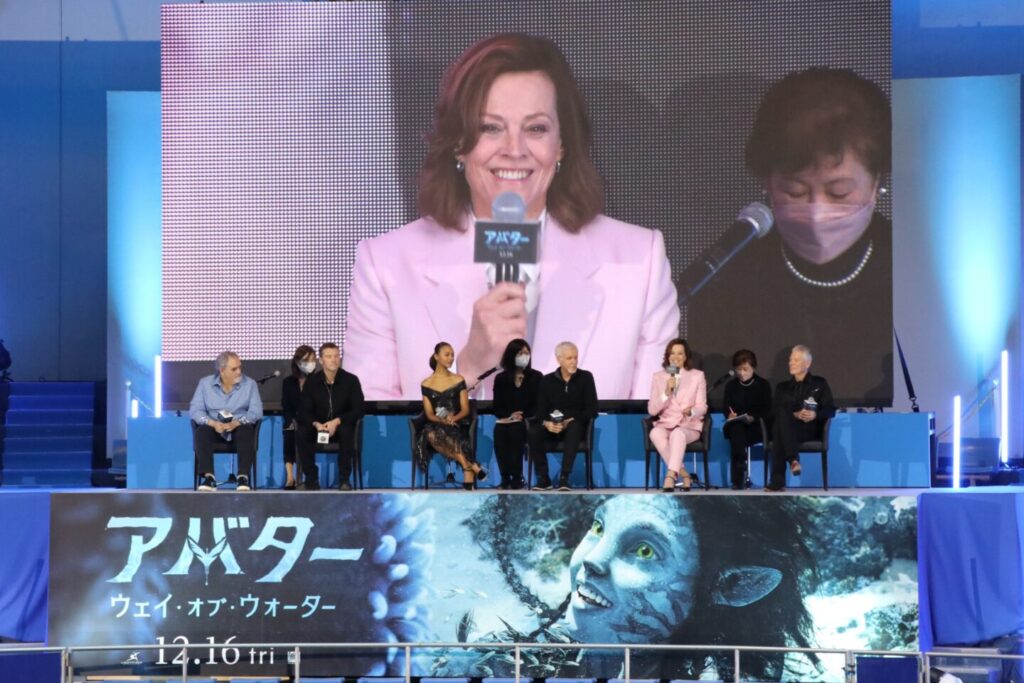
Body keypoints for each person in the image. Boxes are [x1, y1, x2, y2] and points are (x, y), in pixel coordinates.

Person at [343, 33, 678, 400]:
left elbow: (662, 422)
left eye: (535, 129)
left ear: (561, 145)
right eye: (491, 128)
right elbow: (368, 430)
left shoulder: (638, 261)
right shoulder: (386, 265)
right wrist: (468, 367)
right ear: (459, 144)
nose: (514, 150)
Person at [687, 68, 892, 405]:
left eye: (839, 192)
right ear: (766, 182)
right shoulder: (727, 281)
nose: (816, 211)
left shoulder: (906, 268)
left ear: (876, 181)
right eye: (795, 191)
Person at [189, 350, 263, 491]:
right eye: (234, 369)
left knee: (246, 430)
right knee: (202, 432)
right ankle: (209, 478)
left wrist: (237, 422)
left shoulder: (250, 384)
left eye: (240, 367)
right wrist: (212, 423)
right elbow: (195, 410)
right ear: (222, 370)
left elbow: (256, 411)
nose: (239, 372)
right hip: (215, 427)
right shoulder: (205, 384)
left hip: (238, 427)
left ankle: (243, 477)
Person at [528, 341, 598, 491]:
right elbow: (540, 411)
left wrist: (571, 419)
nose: (574, 361)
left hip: (574, 426)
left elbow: (592, 409)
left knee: (574, 426)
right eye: (569, 358)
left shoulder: (586, 377)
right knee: (534, 431)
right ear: (559, 359)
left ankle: (564, 477)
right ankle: (543, 478)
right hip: (552, 426)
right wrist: (547, 423)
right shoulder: (547, 380)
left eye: (575, 357)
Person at [417, 342, 487, 490]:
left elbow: (465, 409)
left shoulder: (458, 380)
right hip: (437, 423)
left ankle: (468, 467)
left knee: (442, 433)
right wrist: (442, 420)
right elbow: (429, 414)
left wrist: (453, 419)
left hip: (458, 423)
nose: (451, 358)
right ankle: (469, 466)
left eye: (452, 355)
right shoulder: (426, 383)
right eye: (447, 355)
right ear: (436, 356)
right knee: (431, 433)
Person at [296, 343, 365, 491]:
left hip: (341, 426)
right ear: (321, 360)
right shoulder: (312, 382)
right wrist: (316, 424)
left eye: (336, 356)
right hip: (319, 428)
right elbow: (304, 411)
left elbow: (358, 409)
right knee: (302, 432)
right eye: (329, 356)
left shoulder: (351, 380)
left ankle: (344, 480)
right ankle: (311, 479)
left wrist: (337, 421)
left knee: (346, 430)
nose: (333, 360)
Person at [767, 345, 835, 491]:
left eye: (796, 360)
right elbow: (773, 412)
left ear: (807, 363)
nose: (791, 363)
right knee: (781, 417)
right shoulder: (782, 387)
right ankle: (793, 460)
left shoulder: (819, 383)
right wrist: (794, 414)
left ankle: (779, 479)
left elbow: (830, 410)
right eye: (790, 360)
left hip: (808, 430)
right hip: (787, 428)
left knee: (779, 429)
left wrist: (815, 415)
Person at [647, 338, 706, 492]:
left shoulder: (697, 376)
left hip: (688, 425)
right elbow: (652, 410)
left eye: (680, 353)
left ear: (686, 356)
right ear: (667, 356)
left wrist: (692, 411)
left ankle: (670, 476)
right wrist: (666, 392)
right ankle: (685, 475)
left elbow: (702, 407)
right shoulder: (659, 377)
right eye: (672, 353)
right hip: (667, 423)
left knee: (677, 434)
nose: (676, 357)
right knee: (655, 433)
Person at [492, 338, 543, 489]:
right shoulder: (501, 379)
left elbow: (539, 405)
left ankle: (517, 477)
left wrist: (523, 415)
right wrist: (510, 416)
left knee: (516, 429)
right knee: (500, 430)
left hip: (528, 421)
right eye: (520, 353)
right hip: (508, 420)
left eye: (527, 353)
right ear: (511, 355)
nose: (524, 356)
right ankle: (505, 477)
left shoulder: (536, 377)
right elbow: (497, 407)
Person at [721, 349, 772, 490]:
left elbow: (767, 410)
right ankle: (738, 476)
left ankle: (739, 471)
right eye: (738, 369)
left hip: (757, 427)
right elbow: (726, 407)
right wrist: (729, 415)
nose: (742, 373)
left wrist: (753, 417)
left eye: (745, 369)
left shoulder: (763, 385)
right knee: (737, 430)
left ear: (753, 368)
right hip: (737, 427)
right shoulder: (731, 386)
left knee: (739, 433)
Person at [281, 344, 316, 490]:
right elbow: (286, 407)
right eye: (307, 360)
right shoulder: (288, 382)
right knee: (289, 432)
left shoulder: (318, 381)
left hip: (313, 422)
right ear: (298, 362)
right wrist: (291, 421)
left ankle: (308, 476)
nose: (311, 363)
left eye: (313, 360)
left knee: (303, 432)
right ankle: (290, 477)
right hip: (295, 421)